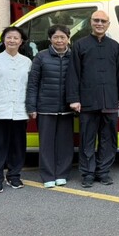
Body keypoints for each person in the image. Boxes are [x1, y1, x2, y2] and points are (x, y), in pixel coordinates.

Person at [66, 11, 119, 188]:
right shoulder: (80, 45)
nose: (99, 23)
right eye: (96, 20)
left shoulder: (115, 46)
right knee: (87, 139)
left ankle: (103, 172)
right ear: (90, 23)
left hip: (110, 101)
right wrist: (74, 99)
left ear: (108, 25)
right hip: (87, 102)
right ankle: (87, 173)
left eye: (103, 21)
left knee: (109, 138)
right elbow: (73, 74)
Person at [0, 27, 32, 194]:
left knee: (18, 145)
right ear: (3, 40)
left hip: (19, 110)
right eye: (9, 37)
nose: (12, 40)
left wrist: (31, 108)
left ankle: (14, 176)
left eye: (15, 38)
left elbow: (29, 87)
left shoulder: (26, 62)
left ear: (21, 41)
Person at [26, 24, 74, 188]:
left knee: (65, 144)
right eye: (56, 37)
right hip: (45, 108)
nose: (59, 40)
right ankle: (48, 176)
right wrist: (31, 107)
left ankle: (62, 174)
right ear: (50, 39)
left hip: (67, 109)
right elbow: (33, 84)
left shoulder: (74, 56)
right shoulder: (41, 57)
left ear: (68, 38)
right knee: (46, 144)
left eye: (63, 37)